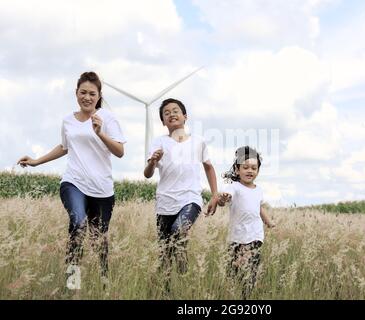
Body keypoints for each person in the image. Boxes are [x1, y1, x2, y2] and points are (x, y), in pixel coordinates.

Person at [17, 71, 126, 286]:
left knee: (98, 240)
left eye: (92, 93)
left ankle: (104, 281)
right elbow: (64, 147)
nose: (87, 97)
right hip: (73, 182)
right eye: (83, 92)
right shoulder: (68, 120)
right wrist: (37, 161)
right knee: (78, 223)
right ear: (76, 93)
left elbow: (120, 151)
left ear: (98, 96)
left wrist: (100, 132)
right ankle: (72, 283)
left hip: (102, 189)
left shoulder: (108, 118)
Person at [144, 98, 219, 277]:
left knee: (178, 230)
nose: (171, 114)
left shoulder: (198, 141)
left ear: (185, 116)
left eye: (176, 110)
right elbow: (147, 174)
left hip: (190, 199)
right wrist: (153, 161)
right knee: (165, 255)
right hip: (165, 202)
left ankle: (183, 267)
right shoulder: (158, 142)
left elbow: (209, 167)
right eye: (166, 113)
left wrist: (215, 194)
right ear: (163, 121)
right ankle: (171, 288)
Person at [214, 146, 275, 299]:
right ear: (237, 169)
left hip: (255, 235)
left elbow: (258, 207)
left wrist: (268, 222)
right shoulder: (234, 187)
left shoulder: (258, 190)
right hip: (236, 236)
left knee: (252, 267)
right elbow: (224, 200)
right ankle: (236, 293)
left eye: (254, 168)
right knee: (233, 271)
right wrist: (223, 198)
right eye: (245, 167)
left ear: (258, 171)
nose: (250, 171)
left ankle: (246, 296)